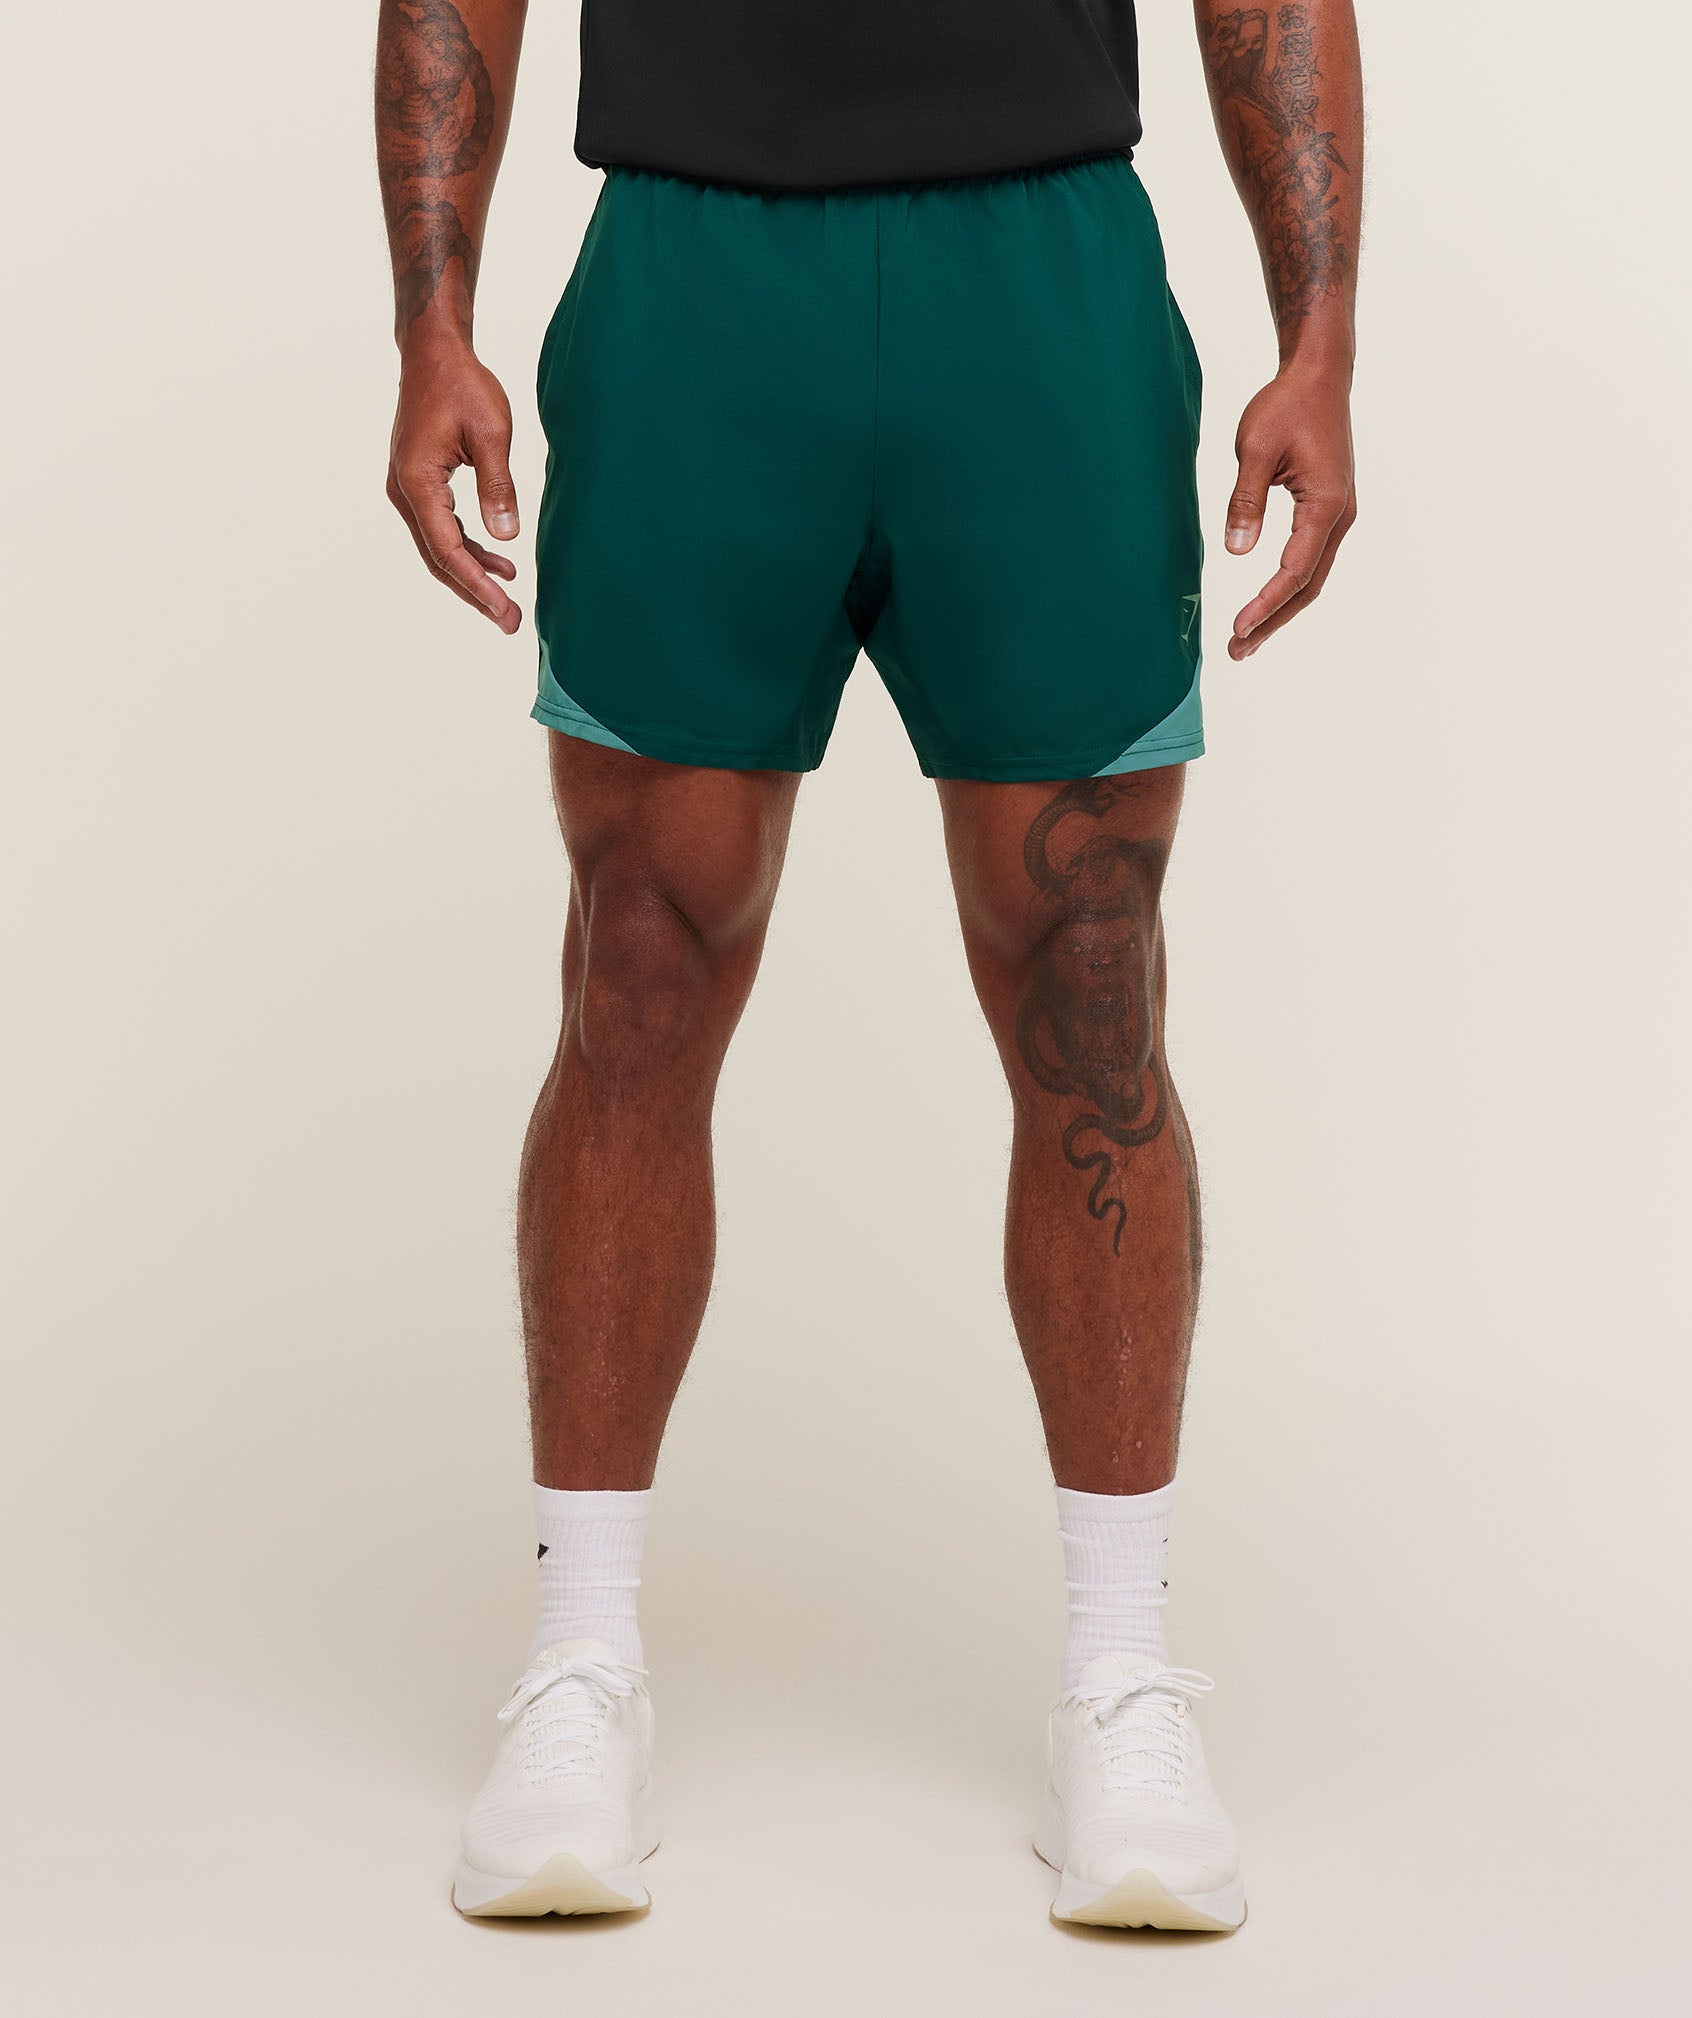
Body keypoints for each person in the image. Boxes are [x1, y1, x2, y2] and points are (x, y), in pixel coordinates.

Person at [376, 0, 1360, 1931]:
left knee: (1091, 973)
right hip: (697, 262)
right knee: (638, 953)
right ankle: (581, 1659)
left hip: (1041, 265)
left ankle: (1120, 1673)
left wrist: (1317, 339)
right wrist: (431, 323)